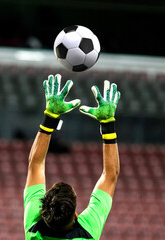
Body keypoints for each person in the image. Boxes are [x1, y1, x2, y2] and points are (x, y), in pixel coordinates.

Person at [24, 74, 121, 239]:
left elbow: (36, 164)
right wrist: (107, 123)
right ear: (76, 215)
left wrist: (50, 116)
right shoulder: (86, 233)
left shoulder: (34, 231)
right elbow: (110, 175)